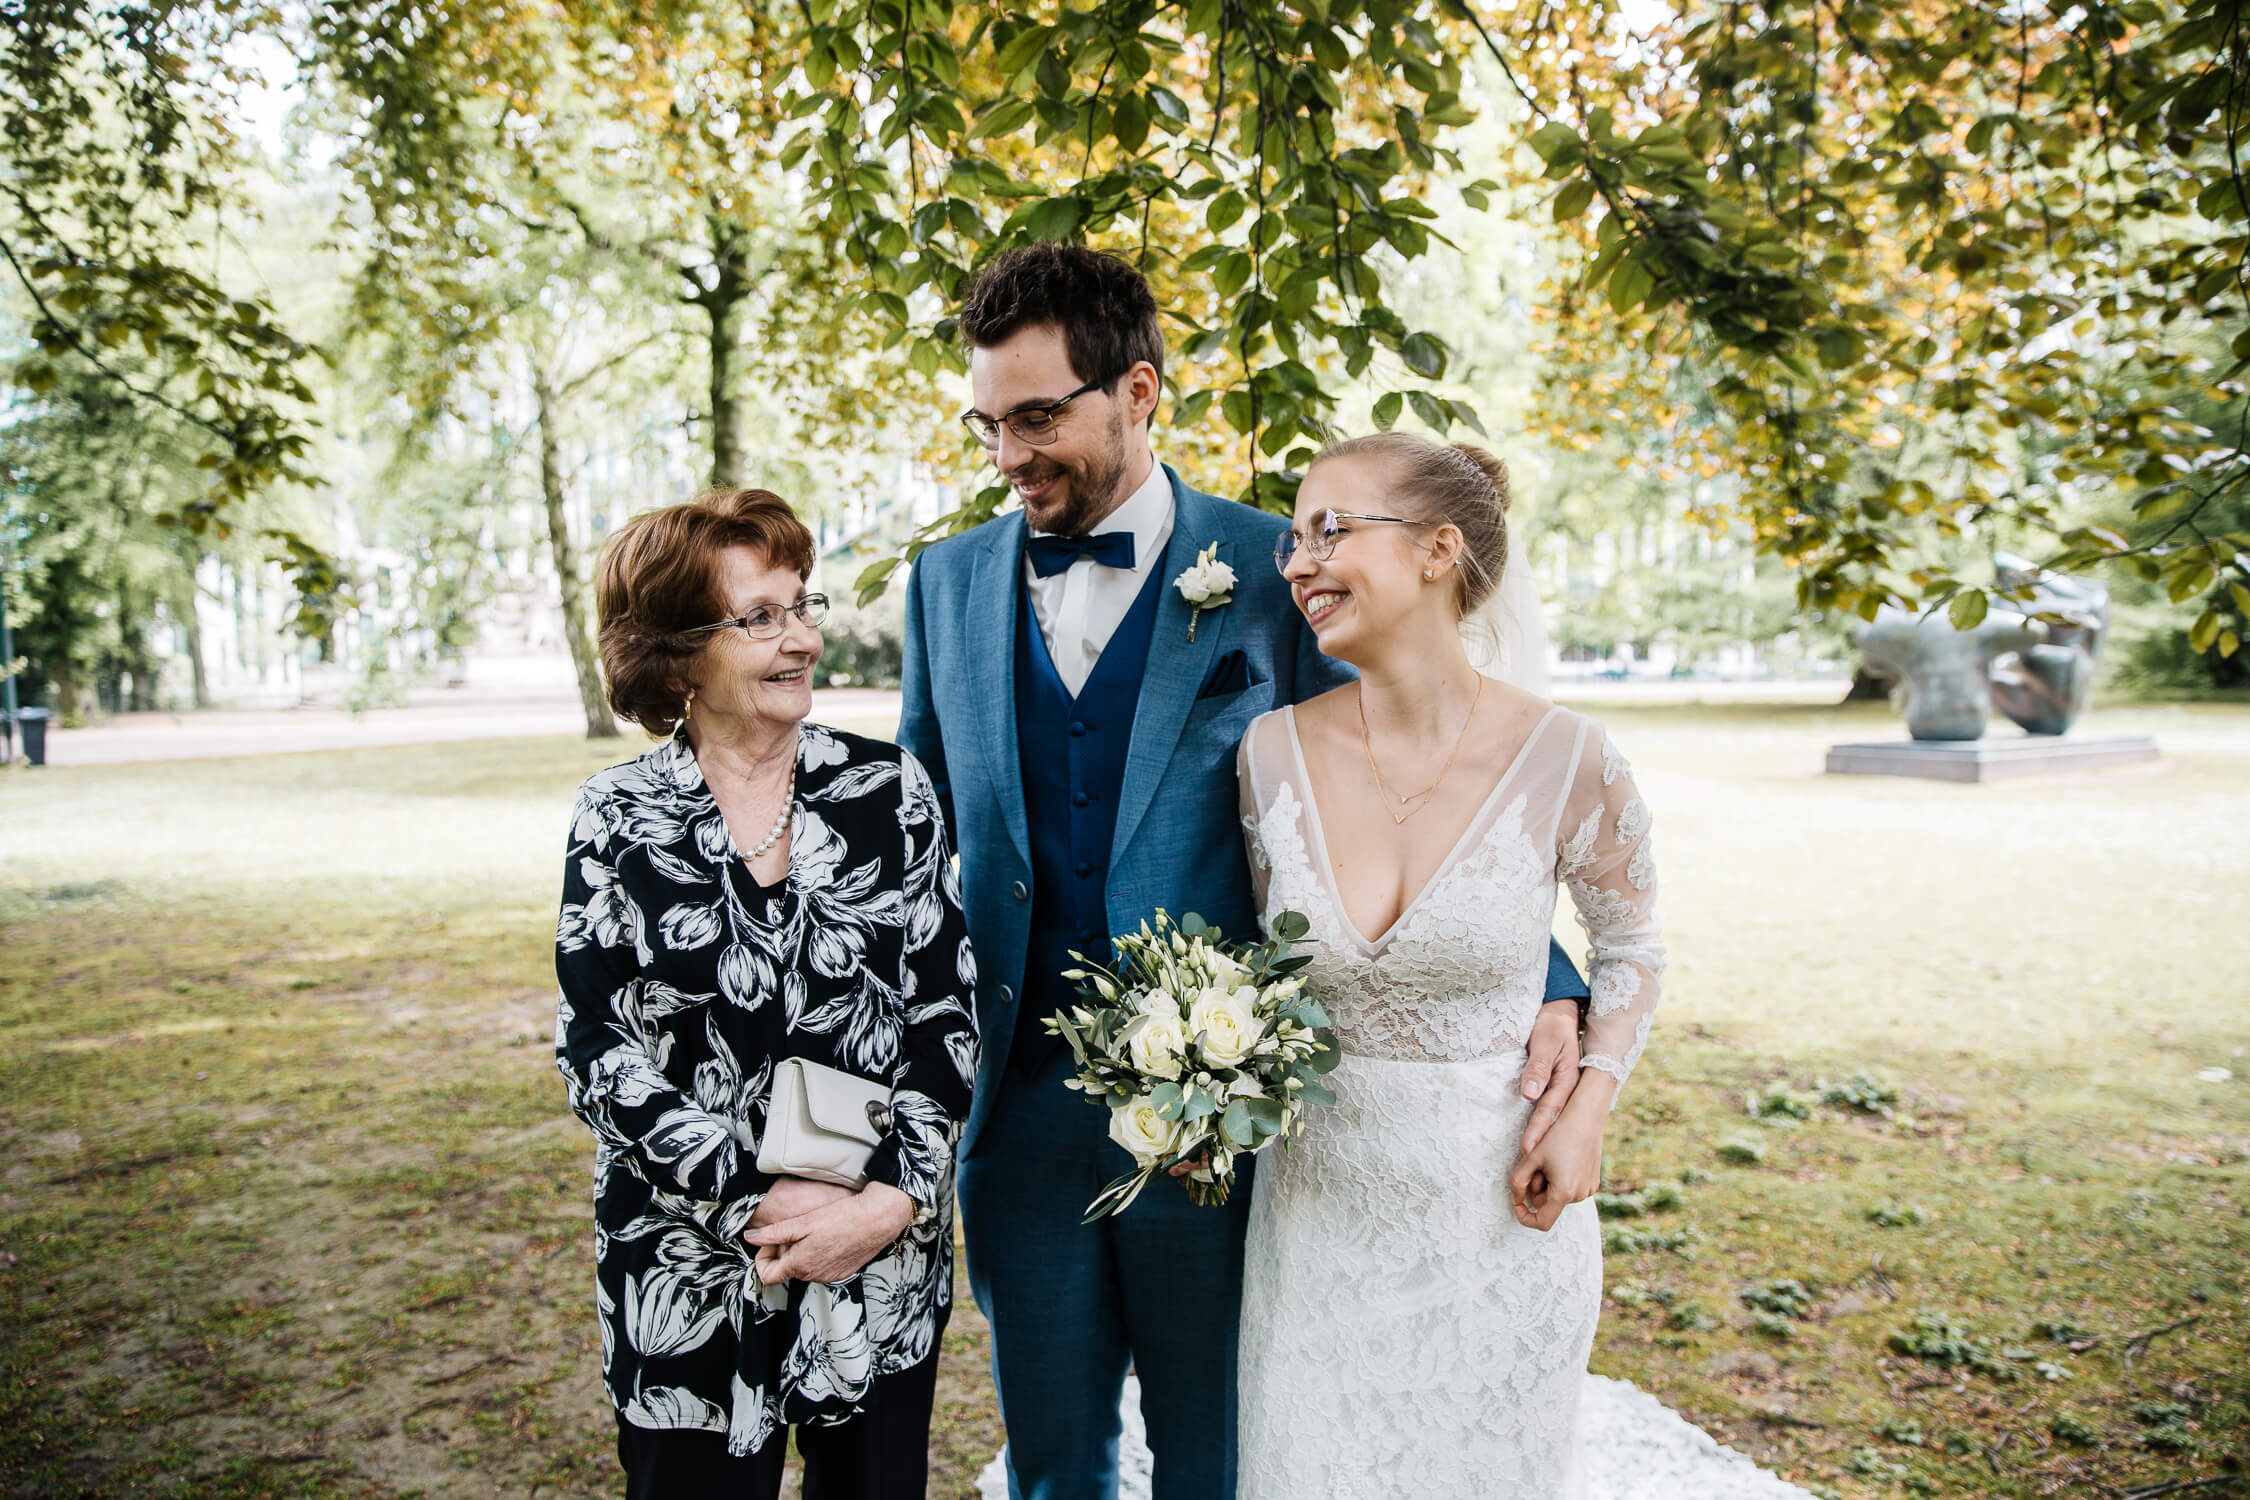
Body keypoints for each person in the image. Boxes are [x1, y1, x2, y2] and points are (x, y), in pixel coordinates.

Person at [896, 243, 1594, 1500]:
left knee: (1221, 1453)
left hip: (1230, 1124)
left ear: (1141, 394)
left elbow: (1412, 785)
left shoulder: (1283, 572)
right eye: (989, 423)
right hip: (1017, 1114)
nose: (1009, 456)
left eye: (1040, 417)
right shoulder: (942, 585)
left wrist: (1550, 976)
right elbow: (917, 830)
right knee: (1054, 1467)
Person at [1234, 435, 1667, 1498]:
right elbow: (1254, 970)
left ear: (1438, 552)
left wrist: (1589, 1108)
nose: (1297, 562)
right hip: (1316, 1221)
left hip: (1496, 1216)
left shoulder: (1569, 757)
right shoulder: (1267, 754)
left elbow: (1632, 947)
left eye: (1331, 530)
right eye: (1295, 538)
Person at [554, 487, 978, 1500]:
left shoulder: (889, 790)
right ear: (675, 651)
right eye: (762, 618)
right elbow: (598, 1049)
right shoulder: (615, 816)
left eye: (803, 606)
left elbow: (946, 1014)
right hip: (684, 1264)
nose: (803, 640)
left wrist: (893, 1198)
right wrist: (760, 1195)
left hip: (877, 1258)